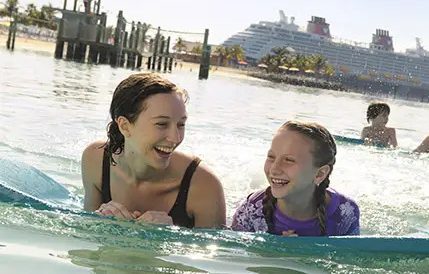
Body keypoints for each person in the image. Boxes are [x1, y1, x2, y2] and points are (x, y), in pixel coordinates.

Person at [81, 73, 226, 228]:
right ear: (125, 126)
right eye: (162, 124)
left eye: (181, 124)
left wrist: (169, 236)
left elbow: (215, 250)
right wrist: (101, 224)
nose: (175, 138)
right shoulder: (96, 159)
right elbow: (85, 236)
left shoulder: (204, 186)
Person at [231, 121, 360, 236]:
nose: (274, 169)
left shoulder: (344, 213)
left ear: (320, 174)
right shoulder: (253, 209)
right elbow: (234, 256)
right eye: (271, 157)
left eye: (289, 160)